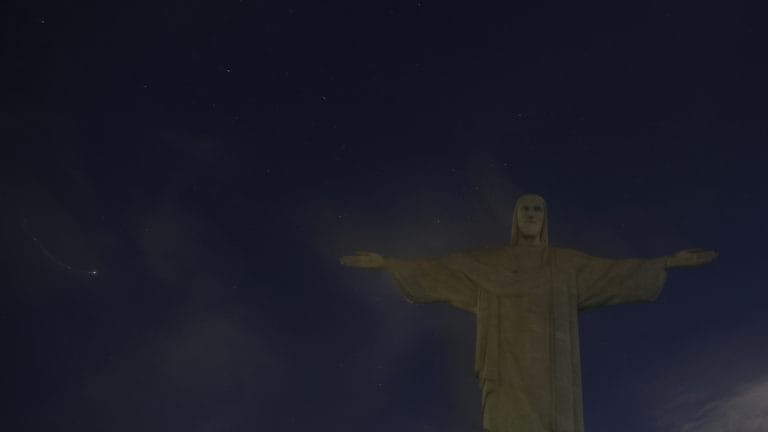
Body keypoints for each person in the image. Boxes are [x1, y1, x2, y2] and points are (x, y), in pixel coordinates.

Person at [340, 194, 717, 432]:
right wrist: (388, 264)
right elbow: (443, 270)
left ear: (545, 218)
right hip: (503, 365)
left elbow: (613, 273)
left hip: (551, 371)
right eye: (525, 209)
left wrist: (667, 262)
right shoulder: (489, 262)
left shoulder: (564, 264)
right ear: (516, 219)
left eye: (538, 209)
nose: (532, 214)